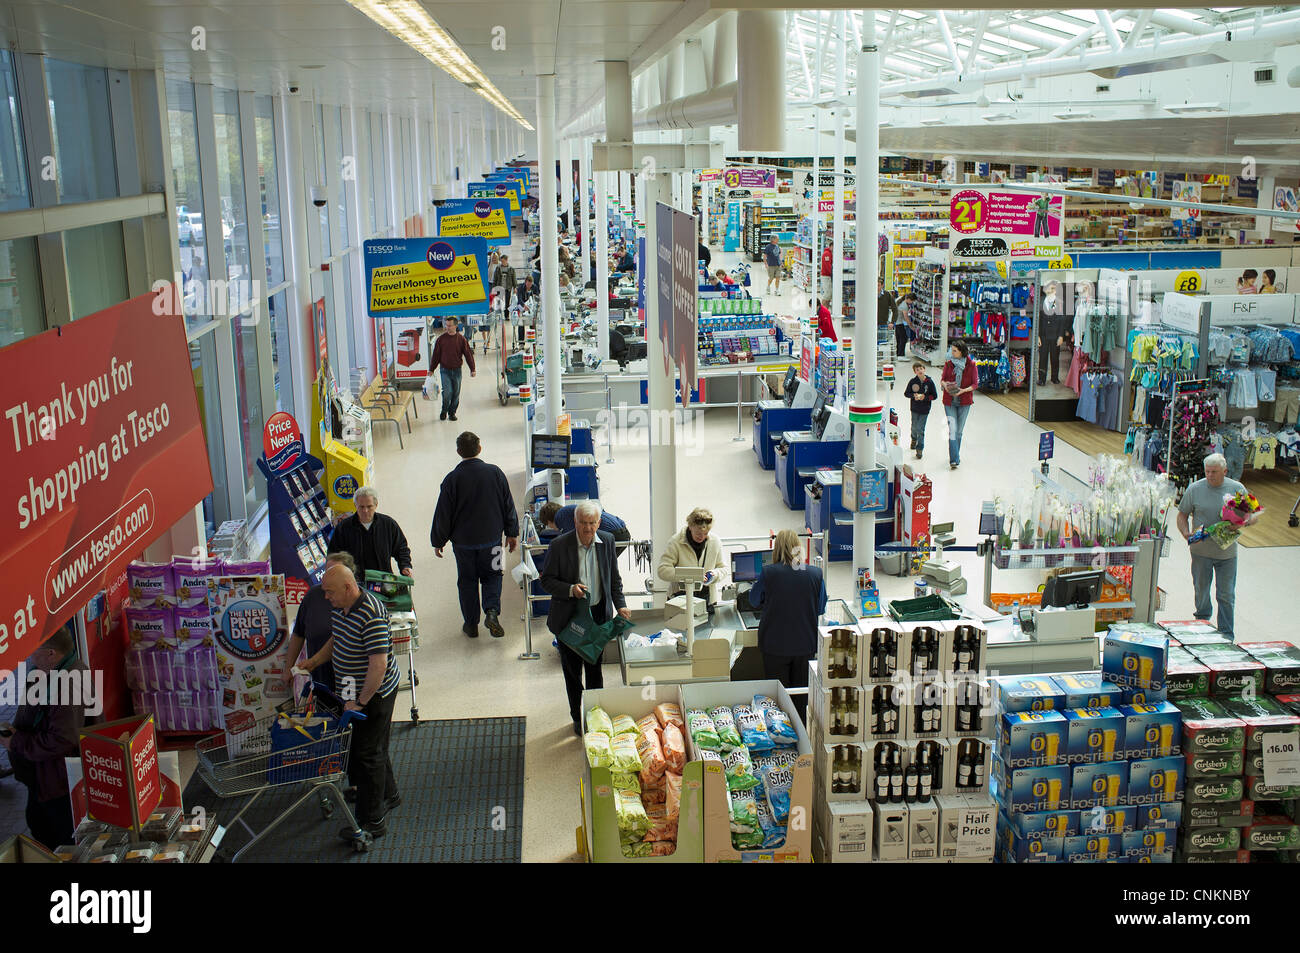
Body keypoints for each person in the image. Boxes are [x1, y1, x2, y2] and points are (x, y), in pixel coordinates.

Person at [317, 565, 401, 840]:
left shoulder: (372, 614)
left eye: (330, 592)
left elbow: (378, 665)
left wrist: (361, 702)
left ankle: (372, 821)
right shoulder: (342, 606)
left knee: (367, 754)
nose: (327, 597)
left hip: (375, 693)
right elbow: (337, 638)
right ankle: (389, 794)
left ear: (348, 588)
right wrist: (314, 661)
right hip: (356, 692)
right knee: (374, 746)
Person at [539, 501, 630, 736]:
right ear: (575, 522)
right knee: (572, 672)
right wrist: (570, 589)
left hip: (597, 616)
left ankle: (595, 715)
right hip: (569, 619)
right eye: (583, 523)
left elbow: (613, 579)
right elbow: (546, 580)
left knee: (594, 669)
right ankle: (577, 718)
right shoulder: (560, 545)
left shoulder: (607, 541)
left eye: (592, 523)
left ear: (599, 523)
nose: (588, 529)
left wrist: (620, 605)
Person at [0, 627, 88, 849]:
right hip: (46, 779)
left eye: (35, 650)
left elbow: (63, 739)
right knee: (40, 826)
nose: (30, 655)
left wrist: (16, 742)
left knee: (57, 839)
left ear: (51, 653)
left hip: (57, 784)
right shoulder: (56, 672)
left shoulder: (66, 685)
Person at [430, 431, 519, 639]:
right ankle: (492, 612)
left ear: (459, 452)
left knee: (467, 581)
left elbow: (443, 513)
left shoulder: (451, 480)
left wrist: (438, 540)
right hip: (493, 541)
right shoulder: (495, 473)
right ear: (480, 449)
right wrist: (512, 532)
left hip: (463, 544)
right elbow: (508, 504)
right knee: (494, 574)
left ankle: (471, 624)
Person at [1176, 453, 1261, 639]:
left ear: (1225, 471)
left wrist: (1242, 523)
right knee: (1202, 592)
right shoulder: (1195, 489)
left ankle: (1226, 635)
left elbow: (1254, 515)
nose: (1210, 475)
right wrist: (1185, 533)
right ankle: (1202, 628)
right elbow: (1182, 514)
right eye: (1207, 471)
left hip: (1227, 554)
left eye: (1214, 472)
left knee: (1226, 595)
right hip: (1200, 552)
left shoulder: (1237, 488)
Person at [748, 529, 826, 725]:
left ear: (777, 548)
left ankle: (780, 738)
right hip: (805, 646)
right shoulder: (815, 574)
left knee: (778, 697)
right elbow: (821, 607)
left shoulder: (769, 572)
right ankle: (801, 738)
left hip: (774, 647)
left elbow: (754, 600)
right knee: (801, 697)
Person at [286, 551, 359, 692]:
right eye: (326, 572)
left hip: (350, 683)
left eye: (333, 573)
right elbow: (298, 633)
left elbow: (378, 664)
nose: (327, 579)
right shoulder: (313, 596)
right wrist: (289, 668)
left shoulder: (357, 605)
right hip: (320, 678)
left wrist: (361, 701)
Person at [327, 487, 413, 578]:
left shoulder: (388, 524)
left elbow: (401, 548)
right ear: (355, 505)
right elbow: (334, 554)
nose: (365, 511)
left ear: (376, 505)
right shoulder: (343, 528)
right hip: (354, 582)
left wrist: (405, 565)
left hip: (383, 580)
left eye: (369, 506)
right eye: (361, 507)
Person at [656, 507, 728, 603]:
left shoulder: (715, 542)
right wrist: (691, 576)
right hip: (679, 599)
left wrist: (714, 575)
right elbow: (663, 571)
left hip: (708, 599)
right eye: (698, 533)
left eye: (705, 533)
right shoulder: (675, 542)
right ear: (690, 527)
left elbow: (723, 569)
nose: (702, 537)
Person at [428, 316, 476, 422]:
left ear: (456, 326)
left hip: (457, 370)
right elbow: (436, 356)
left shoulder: (461, 339)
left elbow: (468, 354)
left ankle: (452, 412)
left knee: (456, 393)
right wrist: (431, 369)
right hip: (445, 370)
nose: (447, 327)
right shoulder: (441, 339)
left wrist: (472, 369)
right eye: (446, 325)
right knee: (447, 392)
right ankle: (444, 410)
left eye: (450, 325)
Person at [941, 341, 977, 470]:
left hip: (964, 401)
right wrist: (946, 386)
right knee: (952, 430)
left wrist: (963, 390)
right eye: (952, 350)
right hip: (949, 401)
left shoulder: (971, 365)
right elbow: (943, 379)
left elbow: (974, 384)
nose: (952, 353)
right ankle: (954, 459)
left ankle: (955, 454)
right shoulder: (948, 363)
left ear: (961, 351)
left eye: (955, 350)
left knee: (959, 432)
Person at [538, 500, 631, 543]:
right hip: (622, 530)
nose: (553, 528)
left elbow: (571, 541)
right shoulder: (567, 511)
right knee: (604, 566)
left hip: (614, 534)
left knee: (601, 566)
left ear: (549, 521)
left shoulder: (560, 517)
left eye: (549, 525)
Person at [906, 362, 938, 460]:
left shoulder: (930, 382)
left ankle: (920, 449)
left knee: (921, 429)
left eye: (921, 368)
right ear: (915, 372)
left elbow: (934, 396)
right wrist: (913, 396)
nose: (919, 371)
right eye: (917, 370)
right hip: (914, 408)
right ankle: (913, 439)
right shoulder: (912, 381)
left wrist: (925, 397)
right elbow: (906, 393)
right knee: (914, 427)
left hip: (925, 410)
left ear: (924, 369)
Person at [1038, 280, 1067, 386]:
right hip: (1044, 335)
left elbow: (1062, 320)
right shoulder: (1041, 301)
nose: (1051, 289)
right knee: (1043, 358)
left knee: (1055, 358)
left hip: (1055, 335)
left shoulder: (1059, 302)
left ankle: (1055, 377)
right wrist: (1038, 336)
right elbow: (1039, 320)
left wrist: (1061, 336)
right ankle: (1041, 379)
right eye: (1049, 287)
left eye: (1053, 288)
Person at [894, 293, 913, 358]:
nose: (912, 303)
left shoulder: (900, 300)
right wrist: (910, 325)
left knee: (899, 339)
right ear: (909, 299)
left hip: (896, 322)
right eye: (912, 301)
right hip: (900, 323)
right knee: (903, 339)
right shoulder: (904, 305)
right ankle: (901, 355)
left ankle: (898, 354)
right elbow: (906, 317)